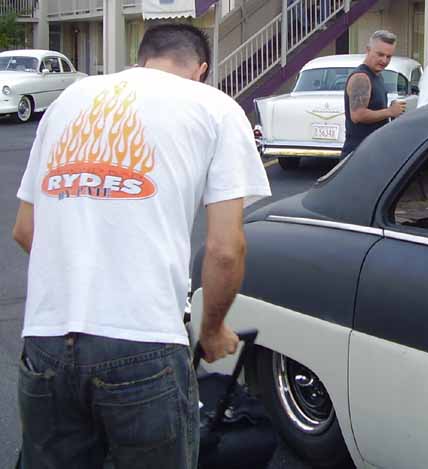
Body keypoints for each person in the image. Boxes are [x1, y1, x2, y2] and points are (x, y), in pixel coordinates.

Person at [12, 23, 271, 468]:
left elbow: (24, 229)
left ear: (140, 58)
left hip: (46, 340)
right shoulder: (215, 107)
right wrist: (212, 330)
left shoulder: (68, 100)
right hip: (142, 341)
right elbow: (226, 248)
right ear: (201, 69)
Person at [341, 30, 406, 157]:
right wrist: (390, 111)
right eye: (380, 54)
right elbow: (358, 115)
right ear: (368, 50)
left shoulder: (377, 76)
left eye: (388, 56)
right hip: (359, 154)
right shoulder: (361, 77)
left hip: (373, 151)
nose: (384, 60)